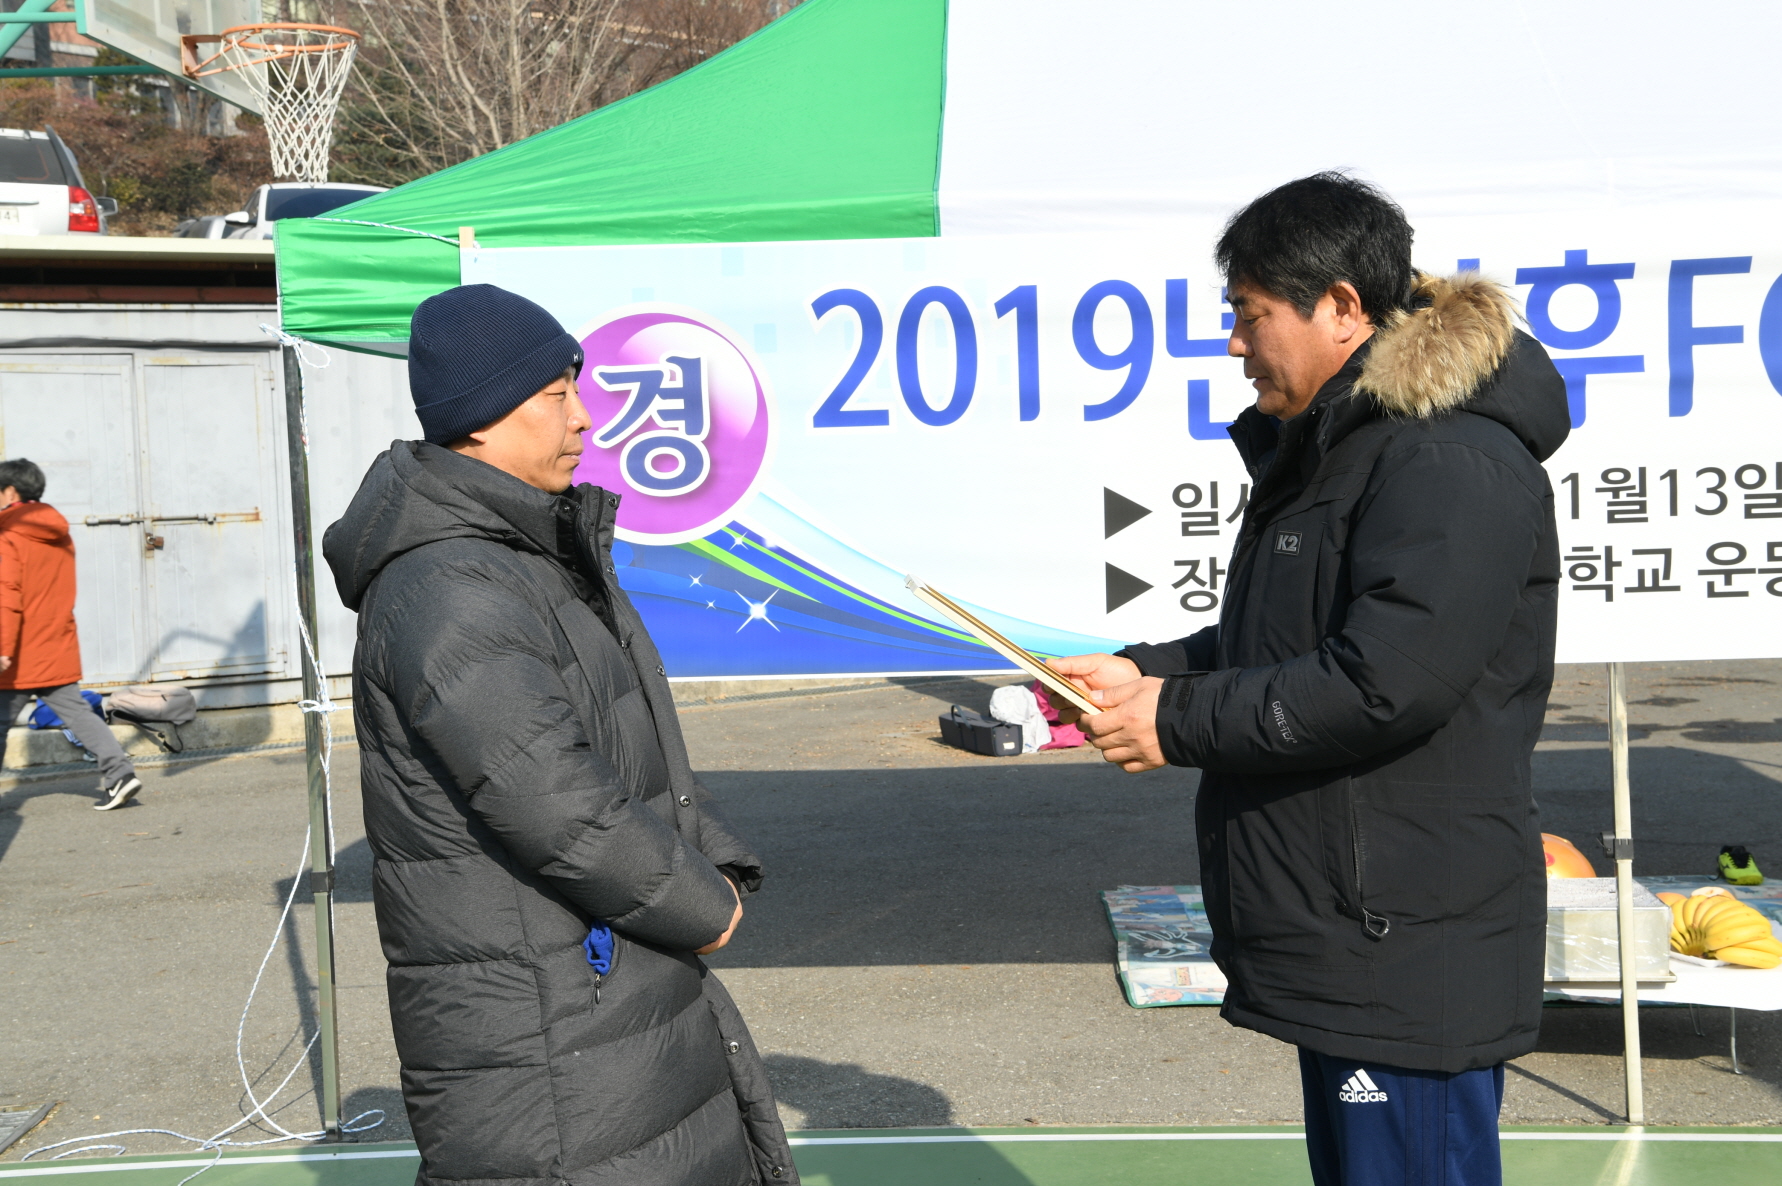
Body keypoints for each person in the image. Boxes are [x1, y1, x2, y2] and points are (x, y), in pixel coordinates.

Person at [1051, 173, 1567, 1186]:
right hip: (1356, 936)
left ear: (1340, 305)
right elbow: (1282, 637)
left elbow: (1385, 680)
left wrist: (1175, 719)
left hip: (1404, 947)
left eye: (1251, 315)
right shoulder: (1349, 448)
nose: (1235, 345)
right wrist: (1145, 672)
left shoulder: (1446, 457)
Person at [323, 284, 796, 1186]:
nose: (584, 418)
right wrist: (701, 903)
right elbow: (553, 799)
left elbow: (622, 746)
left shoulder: (517, 554)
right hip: (544, 1024)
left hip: (592, 994)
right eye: (555, 395)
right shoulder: (449, 585)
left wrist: (713, 857)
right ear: (480, 417)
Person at [0, 458, 143, 810]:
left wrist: (3, 647)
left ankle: (120, 774)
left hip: (19, 650)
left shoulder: (8, 535)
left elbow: (7, 594)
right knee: (78, 713)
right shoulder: (58, 531)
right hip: (56, 640)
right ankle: (120, 774)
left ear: (11, 491)